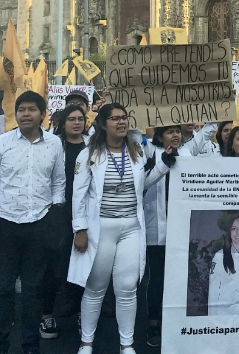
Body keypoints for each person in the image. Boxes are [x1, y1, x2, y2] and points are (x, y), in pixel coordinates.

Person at [68, 103, 174, 354]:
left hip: (130, 228)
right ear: (103, 125)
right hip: (101, 228)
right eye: (115, 118)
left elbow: (142, 185)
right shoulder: (89, 154)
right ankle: (86, 342)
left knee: (127, 289)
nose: (121, 122)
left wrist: (164, 164)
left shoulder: (136, 152)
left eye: (124, 118)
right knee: (95, 287)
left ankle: (127, 344)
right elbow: (78, 194)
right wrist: (80, 229)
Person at [0, 92, 66, 354]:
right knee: (3, 289)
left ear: (43, 114)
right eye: (21, 109)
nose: (26, 114)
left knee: (33, 290)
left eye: (31, 109)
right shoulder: (1, 143)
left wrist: (53, 216)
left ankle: (31, 345)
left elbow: (58, 183)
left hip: (39, 224)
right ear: (15, 114)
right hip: (6, 224)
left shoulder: (54, 143)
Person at [40, 105, 92, 340]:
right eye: (71, 119)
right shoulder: (52, 144)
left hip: (85, 213)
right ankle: (46, 314)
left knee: (83, 266)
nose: (76, 122)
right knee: (52, 267)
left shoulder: (92, 146)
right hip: (57, 213)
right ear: (63, 122)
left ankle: (82, 313)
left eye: (80, 118)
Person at [143, 125, 188, 347]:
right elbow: (143, 182)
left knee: (182, 277)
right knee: (158, 277)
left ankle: (178, 322)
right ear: (159, 136)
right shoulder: (149, 153)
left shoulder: (187, 153)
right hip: (158, 227)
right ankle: (154, 323)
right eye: (170, 132)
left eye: (177, 131)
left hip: (183, 228)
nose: (176, 135)